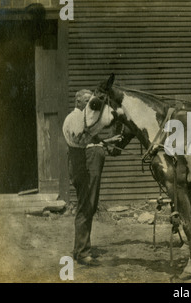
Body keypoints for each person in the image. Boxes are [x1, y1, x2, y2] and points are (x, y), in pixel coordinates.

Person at [63, 89, 122, 266]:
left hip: (87, 164)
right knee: (86, 206)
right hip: (85, 166)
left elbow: (87, 139)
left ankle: (79, 249)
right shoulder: (76, 118)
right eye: (87, 100)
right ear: (78, 102)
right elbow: (79, 139)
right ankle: (82, 253)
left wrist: (107, 141)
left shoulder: (84, 118)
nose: (91, 104)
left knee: (88, 205)